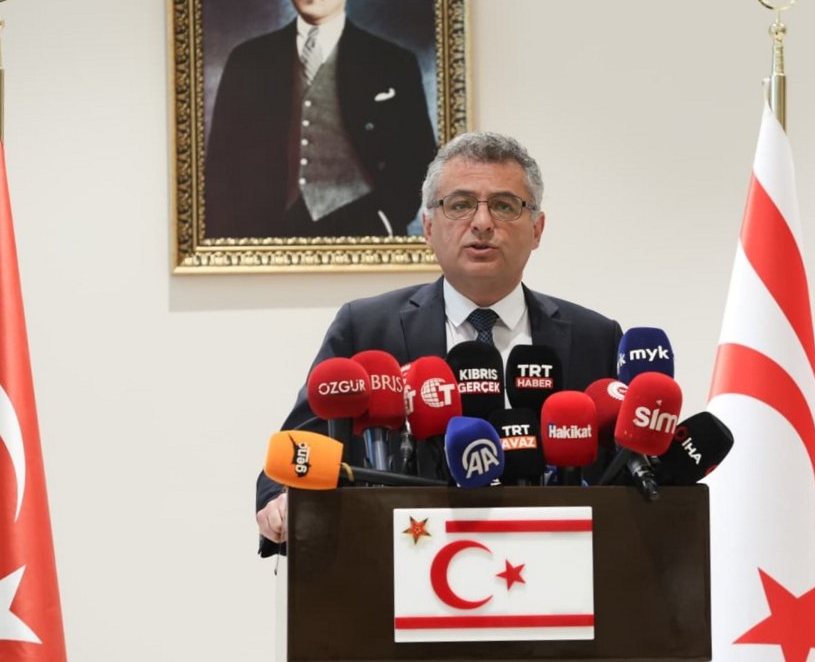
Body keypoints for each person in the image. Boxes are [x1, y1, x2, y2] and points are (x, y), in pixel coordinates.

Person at [255, 132, 624, 556]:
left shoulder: (594, 337)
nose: (482, 223)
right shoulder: (367, 329)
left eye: (504, 206)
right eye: (460, 205)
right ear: (428, 227)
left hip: (558, 577)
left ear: (537, 229)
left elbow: (624, 472)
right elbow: (299, 452)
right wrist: (280, 499)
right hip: (402, 573)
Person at [205, 0, 436, 239]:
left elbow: (419, 158)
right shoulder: (247, 59)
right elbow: (221, 162)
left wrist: (388, 217)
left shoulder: (393, 62)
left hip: (364, 228)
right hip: (265, 233)